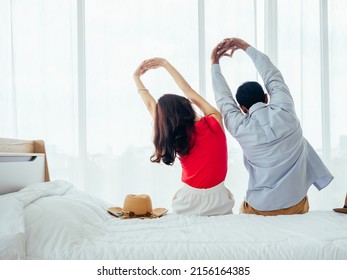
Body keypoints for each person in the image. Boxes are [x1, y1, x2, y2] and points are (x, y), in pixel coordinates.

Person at [210, 37, 333, 216]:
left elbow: (223, 99)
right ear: (266, 98)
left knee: (242, 212)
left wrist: (214, 62)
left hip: (260, 208)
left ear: (242, 109)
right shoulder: (285, 109)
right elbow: (272, 75)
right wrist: (245, 47)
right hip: (295, 205)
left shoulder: (239, 126)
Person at [133, 57, 235, 216]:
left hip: (188, 200)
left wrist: (136, 78)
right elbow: (188, 90)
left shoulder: (175, 135)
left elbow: (150, 105)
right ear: (187, 104)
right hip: (219, 200)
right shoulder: (213, 122)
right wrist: (165, 64)